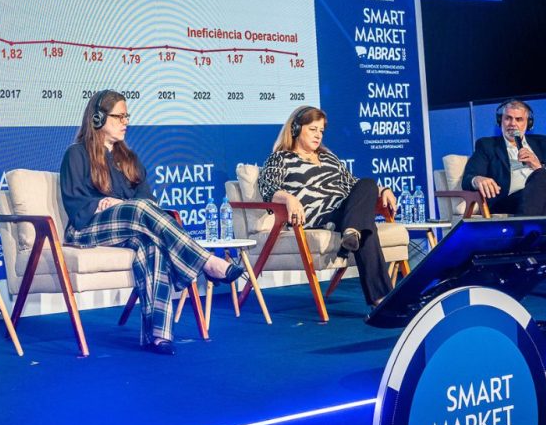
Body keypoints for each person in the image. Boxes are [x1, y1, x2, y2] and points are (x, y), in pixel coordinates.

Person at [60, 90, 242, 356]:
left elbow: (147, 201)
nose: (125, 122)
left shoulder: (129, 158)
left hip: (129, 226)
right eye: (119, 116)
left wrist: (124, 206)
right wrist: (102, 203)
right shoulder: (76, 154)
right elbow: (75, 203)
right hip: (87, 228)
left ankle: (159, 334)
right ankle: (206, 261)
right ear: (97, 118)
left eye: (127, 116)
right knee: (139, 209)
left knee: (152, 244)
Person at [257, 105, 397, 308]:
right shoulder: (280, 158)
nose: (318, 135)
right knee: (366, 225)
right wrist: (288, 198)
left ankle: (351, 232)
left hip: (344, 212)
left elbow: (354, 184)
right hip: (317, 216)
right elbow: (268, 188)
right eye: (313, 129)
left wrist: (384, 190)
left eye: (321, 131)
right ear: (296, 129)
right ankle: (382, 298)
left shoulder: (329, 158)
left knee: (368, 183)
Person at [461, 98, 546, 300]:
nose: (512, 124)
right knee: (545, 209)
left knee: (542, 176)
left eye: (519, 119)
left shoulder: (542, 143)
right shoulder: (487, 145)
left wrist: (539, 165)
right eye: (508, 118)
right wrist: (478, 179)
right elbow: (468, 178)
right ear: (500, 121)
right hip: (511, 199)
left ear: (528, 123)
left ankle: (519, 252)